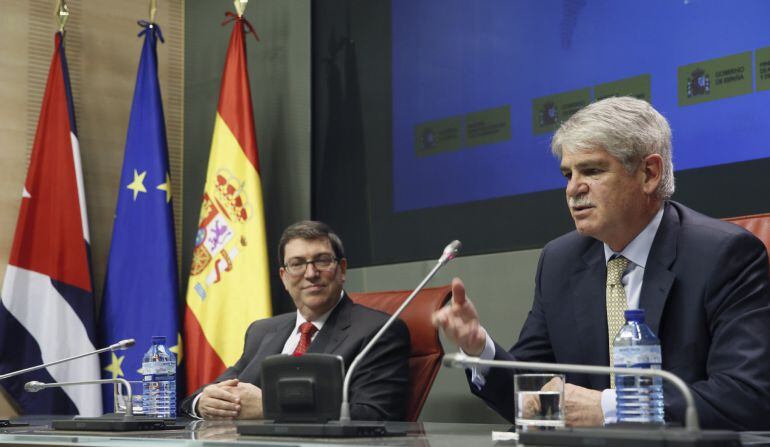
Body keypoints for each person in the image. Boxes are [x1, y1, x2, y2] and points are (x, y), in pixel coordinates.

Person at [433, 96, 770, 430]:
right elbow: (534, 399)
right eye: (567, 174)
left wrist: (610, 409)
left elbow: (745, 396)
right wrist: (480, 349)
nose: (573, 189)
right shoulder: (560, 261)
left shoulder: (723, 256)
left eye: (592, 170)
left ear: (649, 174)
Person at [180, 220, 411, 421]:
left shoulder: (379, 332)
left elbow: (374, 415)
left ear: (341, 270)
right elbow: (215, 389)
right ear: (284, 277)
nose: (310, 273)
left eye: (322, 261)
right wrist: (202, 402)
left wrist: (269, 407)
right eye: (297, 264)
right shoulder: (262, 331)